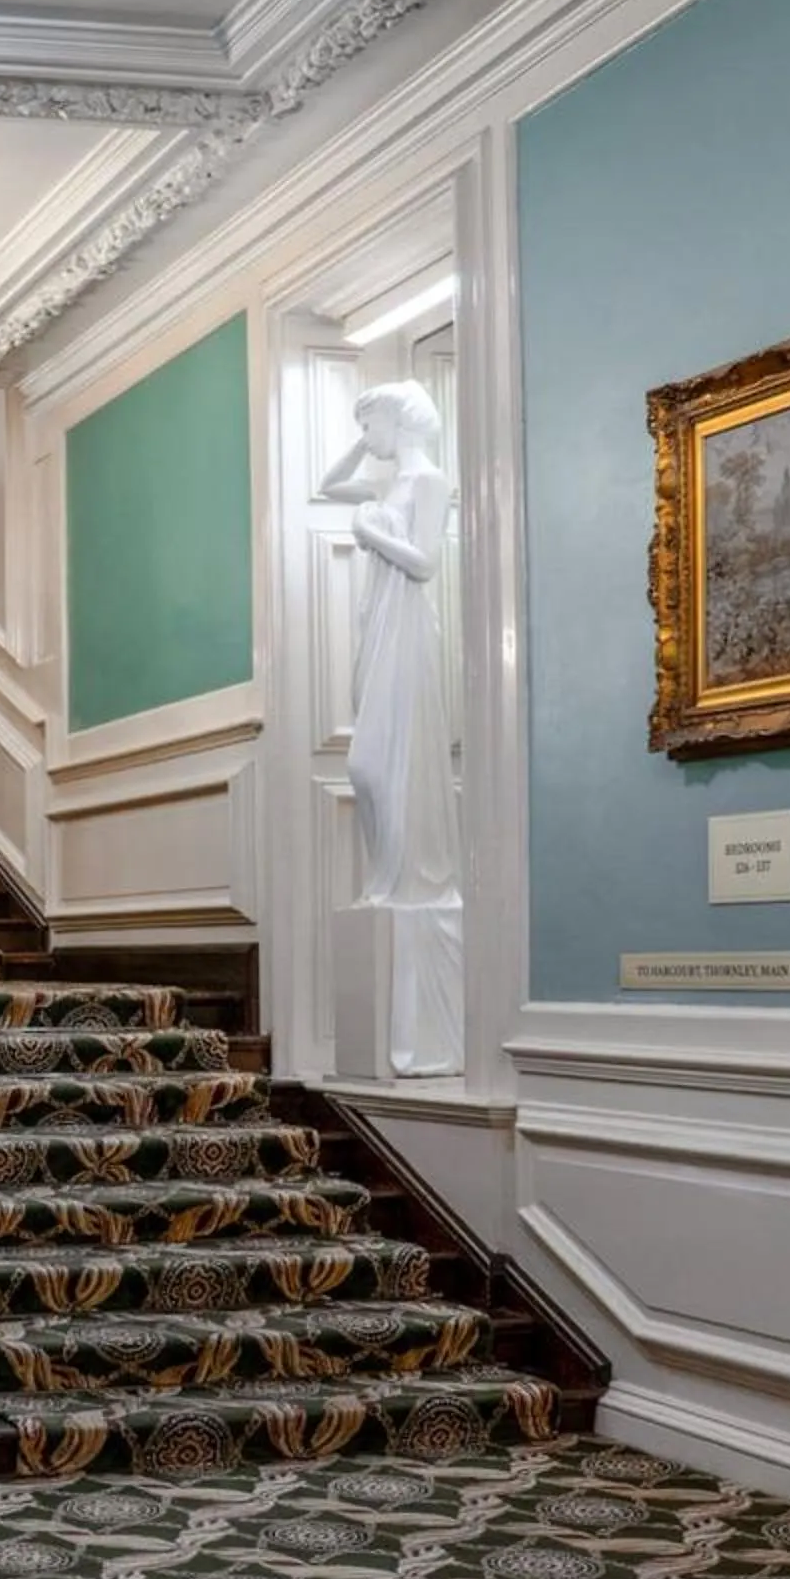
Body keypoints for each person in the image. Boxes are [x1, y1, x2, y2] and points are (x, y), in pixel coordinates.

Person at [319, 380, 464, 1076]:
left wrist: (373, 531)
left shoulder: (429, 480)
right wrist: (367, 434)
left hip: (407, 627)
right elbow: (328, 481)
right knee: (365, 766)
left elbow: (428, 562)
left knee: (375, 765)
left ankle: (405, 880)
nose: (363, 433)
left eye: (367, 419)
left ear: (396, 418)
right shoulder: (389, 478)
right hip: (376, 622)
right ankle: (387, 880)